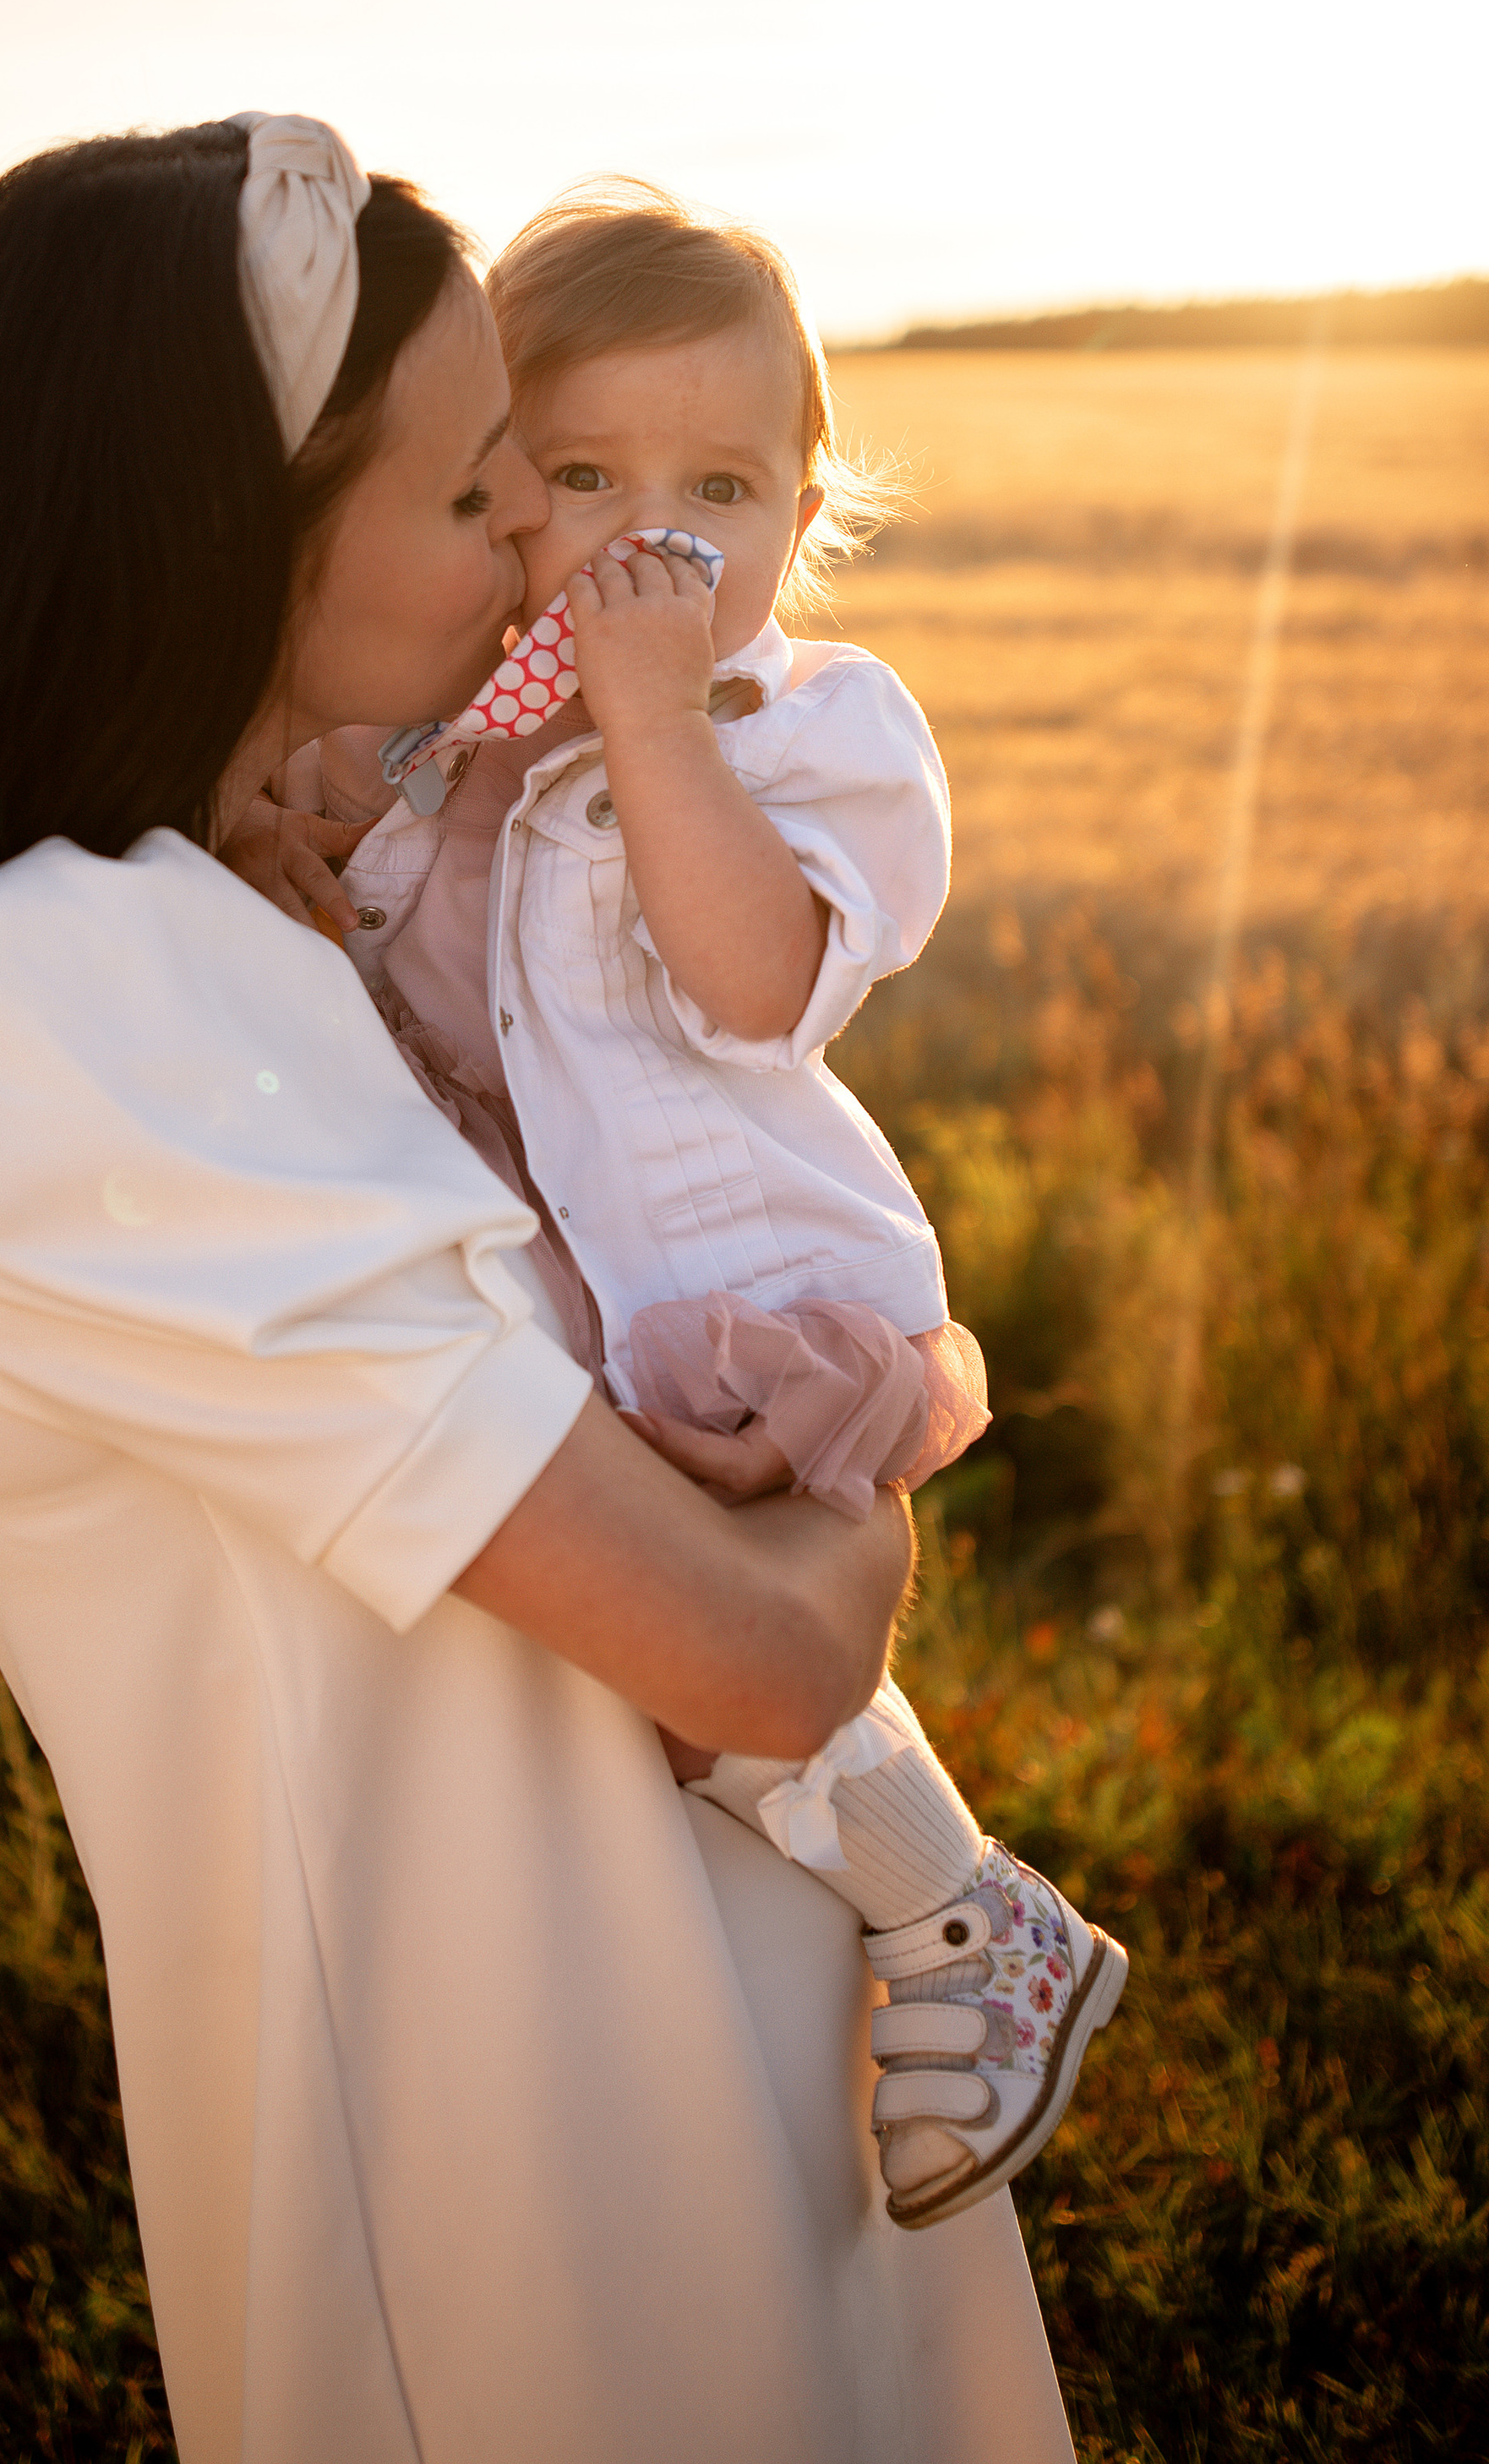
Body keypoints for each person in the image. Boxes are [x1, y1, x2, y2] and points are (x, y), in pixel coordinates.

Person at [0, 116, 1077, 2461]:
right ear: (237, 539)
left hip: (746, 2033)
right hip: (526, 2182)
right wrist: (880, 1454)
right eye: (491, 482)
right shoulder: (52, 1006)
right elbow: (777, 1641)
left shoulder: (247, 929)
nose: (554, 553)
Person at [283, 184, 1124, 2233]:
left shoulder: (804, 728)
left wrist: (652, 720)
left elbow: (754, 983)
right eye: (582, 476)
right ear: (493, 494)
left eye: (721, 487)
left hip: (732, 1276)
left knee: (706, 1652)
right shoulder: (447, 737)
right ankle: (921, 1930)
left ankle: (963, 1921)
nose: (653, 540)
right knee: (622, 1682)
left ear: (803, 509)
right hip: (549, 1275)